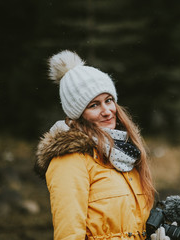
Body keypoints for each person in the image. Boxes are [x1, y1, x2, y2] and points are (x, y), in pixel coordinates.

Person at [34, 50, 170, 240]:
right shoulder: (69, 159)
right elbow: (69, 234)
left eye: (108, 100)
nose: (107, 111)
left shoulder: (124, 155)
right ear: (78, 114)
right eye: (94, 105)